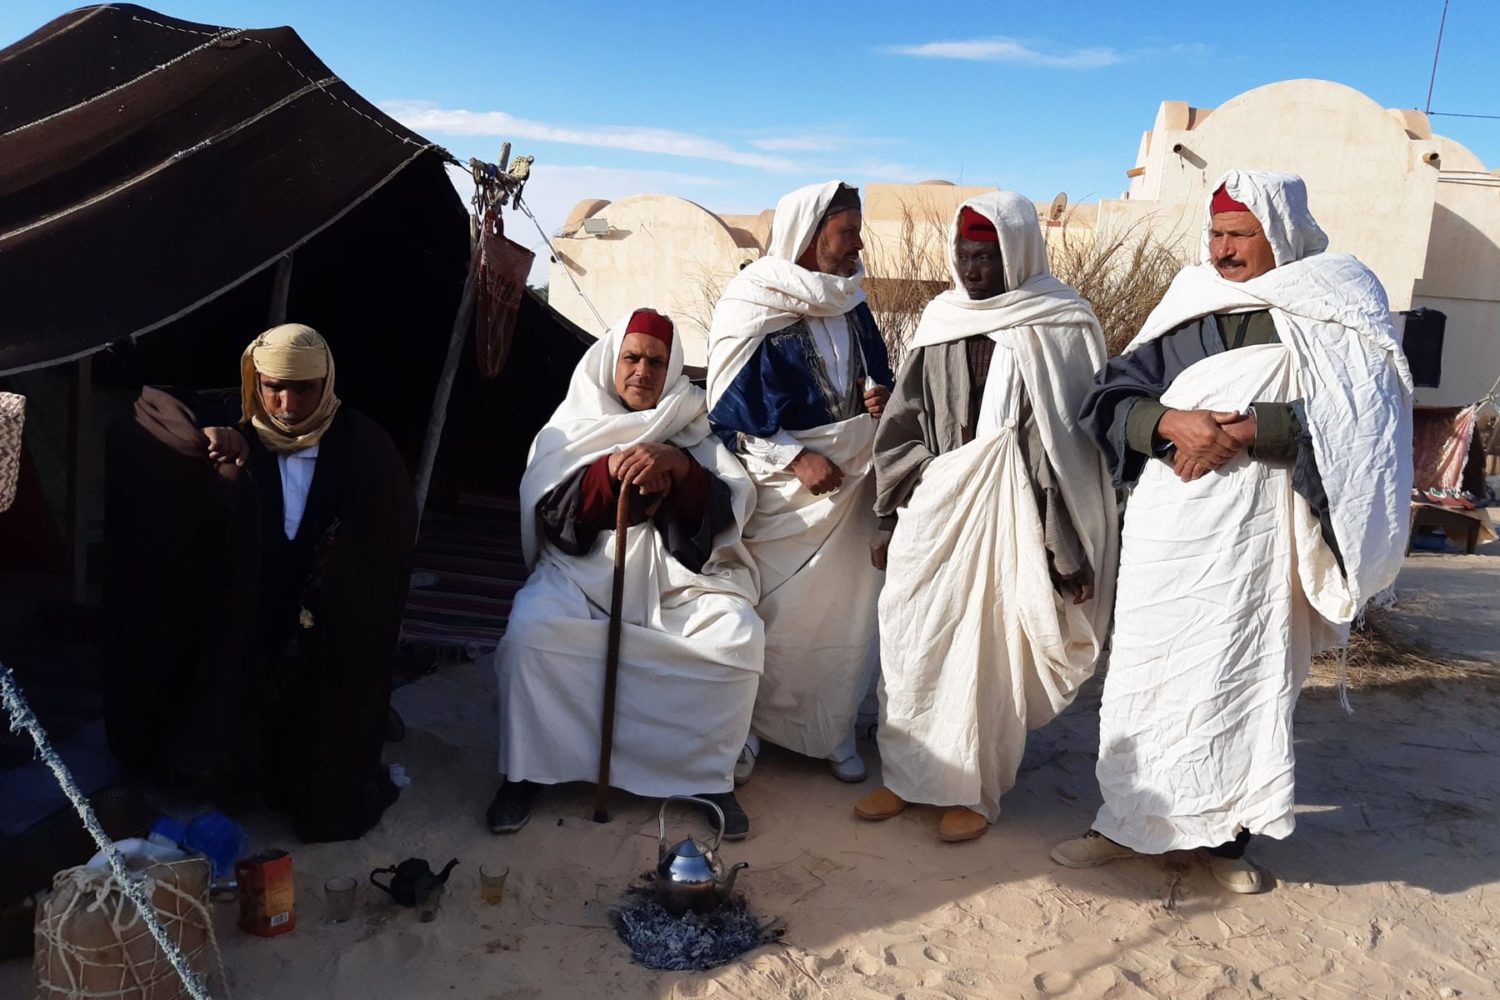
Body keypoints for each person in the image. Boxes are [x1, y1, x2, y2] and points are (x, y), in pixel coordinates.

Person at [1053, 171, 1413, 891]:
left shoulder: (1337, 303)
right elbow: (1109, 396)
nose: (1221, 251)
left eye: (1238, 235)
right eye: (1214, 234)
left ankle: (1223, 842)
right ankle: (1124, 822)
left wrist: (1255, 429)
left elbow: (1366, 426)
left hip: (1262, 537)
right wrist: (1169, 423)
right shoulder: (1190, 301)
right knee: (1148, 679)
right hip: (1173, 536)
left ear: (1276, 234)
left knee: (1243, 679)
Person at [855, 194, 1119, 843]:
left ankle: (970, 790)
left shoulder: (1060, 324)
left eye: (987, 256)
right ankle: (904, 776)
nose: (974, 270)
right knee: (913, 645)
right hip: (935, 510)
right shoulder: (940, 319)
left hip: (1014, 521)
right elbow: (904, 422)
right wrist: (894, 514)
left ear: (1018, 253)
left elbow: (1065, 452)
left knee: (984, 657)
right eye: (966, 256)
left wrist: (1065, 550)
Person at [489, 309, 763, 838]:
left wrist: (679, 468)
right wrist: (605, 472)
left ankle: (708, 777)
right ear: (613, 362)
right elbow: (548, 511)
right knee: (532, 634)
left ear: (672, 367)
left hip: (675, 584)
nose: (643, 371)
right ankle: (526, 772)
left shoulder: (691, 420)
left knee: (737, 639)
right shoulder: (571, 425)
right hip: (582, 576)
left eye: (656, 362)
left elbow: (729, 508)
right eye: (632, 359)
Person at [706, 181, 894, 784]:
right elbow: (727, 406)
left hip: (853, 485)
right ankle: (754, 729)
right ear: (811, 237)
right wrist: (794, 458)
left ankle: (830, 730)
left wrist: (880, 398)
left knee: (847, 616)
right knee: (778, 614)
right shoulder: (752, 300)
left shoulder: (851, 301)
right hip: (785, 495)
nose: (857, 244)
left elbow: (880, 373)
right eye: (846, 233)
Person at [200, 323, 417, 842]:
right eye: (274, 385)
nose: (286, 401)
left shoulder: (364, 444)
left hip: (335, 617)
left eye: (302, 388)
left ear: (326, 384)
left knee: (329, 747)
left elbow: (390, 537)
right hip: (261, 612)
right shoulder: (240, 441)